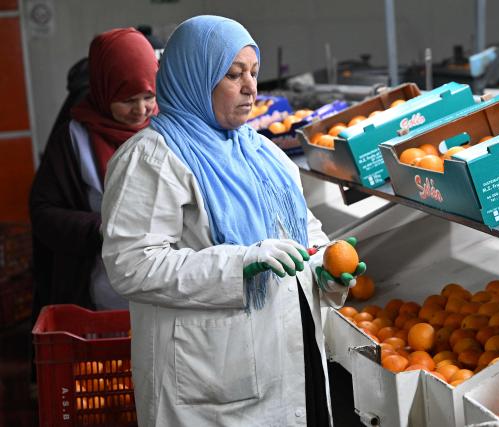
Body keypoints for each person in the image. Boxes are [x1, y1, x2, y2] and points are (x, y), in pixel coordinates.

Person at [100, 16, 365, 427]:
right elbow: (132, 264)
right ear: (195, 76)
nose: (250, 88)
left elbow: (305, 235)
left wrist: (326, 273)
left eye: (254, 74)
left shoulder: (265, 155)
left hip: (291, 360)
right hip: (212, 377)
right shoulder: (152, 159)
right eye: (233, 74)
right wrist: (240, 264)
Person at [29, 28, 159, 315]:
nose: (141, 110)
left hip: (164, 297)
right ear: (102, 89)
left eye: (148, 96)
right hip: (101, 303)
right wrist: (101, 229)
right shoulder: (74, 139)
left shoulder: (168, 129)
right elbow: (43, 212)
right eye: (127, 100)